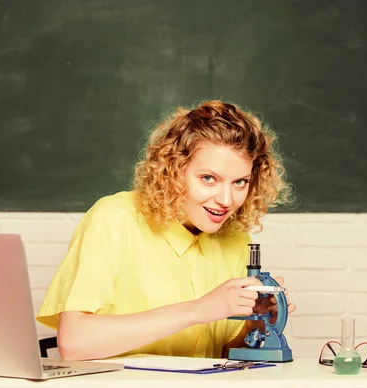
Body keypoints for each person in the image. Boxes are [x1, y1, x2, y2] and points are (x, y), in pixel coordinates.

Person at [37, 100, 296, 361]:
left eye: (240, 182)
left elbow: (223, 357)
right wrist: (197, 310)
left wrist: (257, 323)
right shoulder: (114, 218)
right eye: (209, 178)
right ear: (173, 170)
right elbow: (73, 343)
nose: (227, 200)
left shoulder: (237, 240)